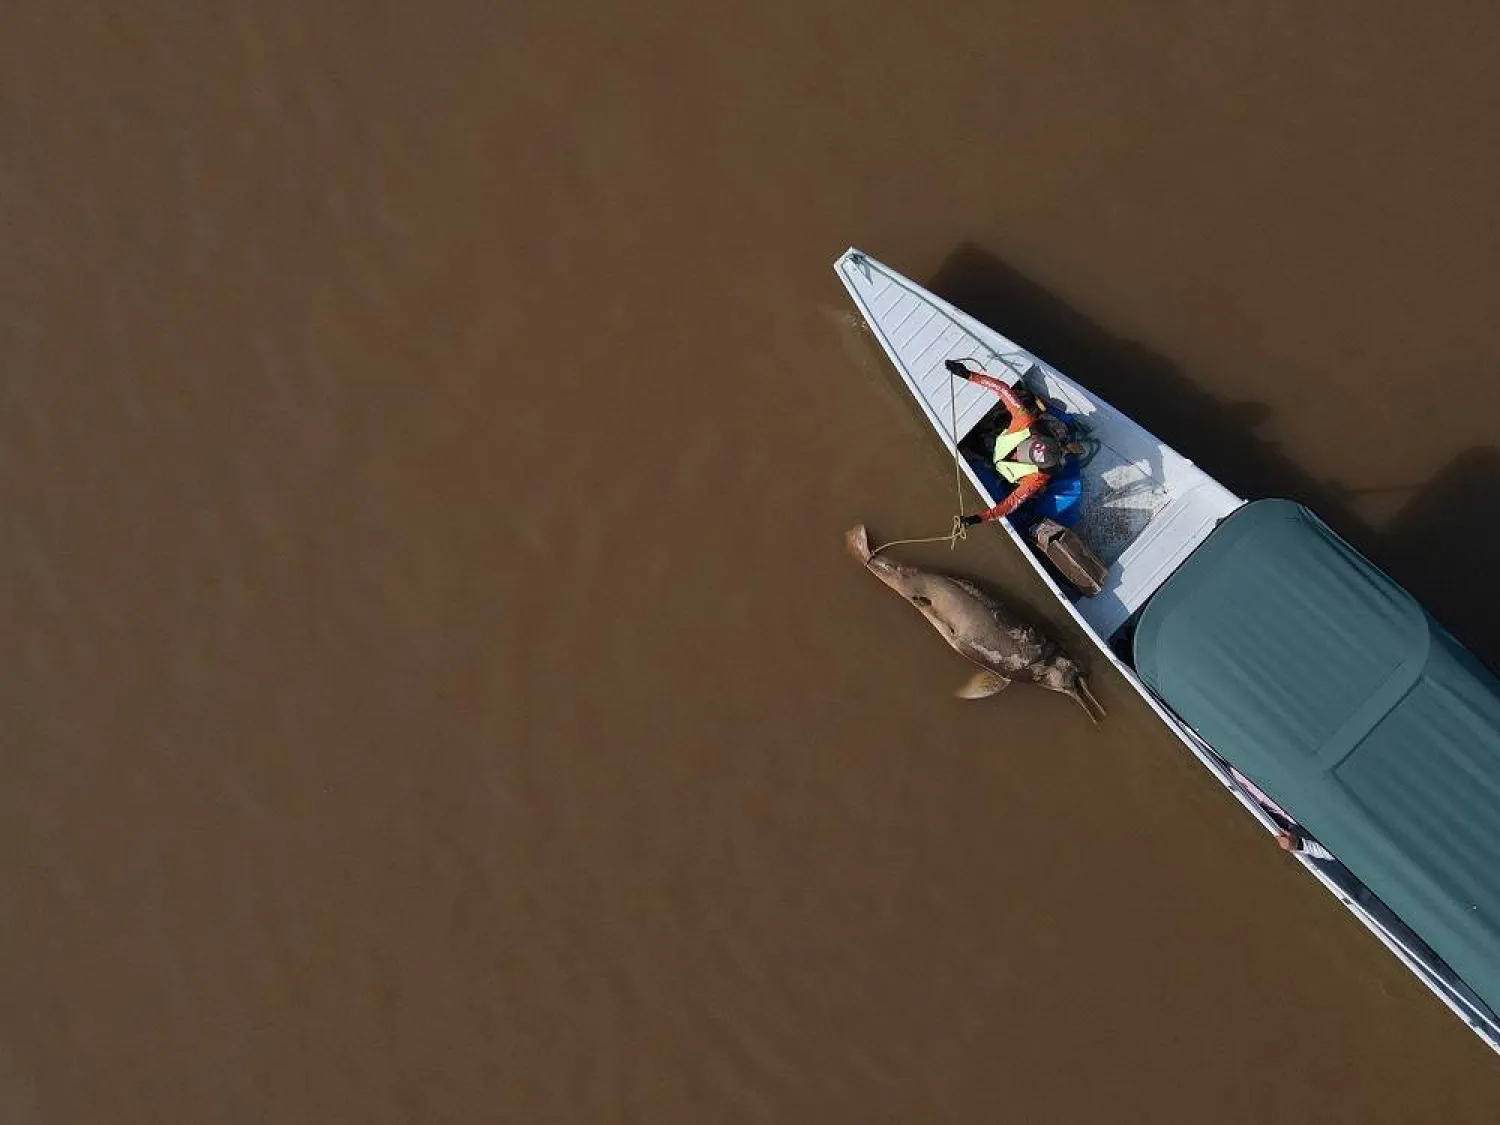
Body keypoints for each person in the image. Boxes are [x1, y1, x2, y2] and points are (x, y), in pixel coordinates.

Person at [945, 360, 1085, 526]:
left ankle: (1066, 449)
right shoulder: (1024, 421)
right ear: (1032, 438)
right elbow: (1002, 390)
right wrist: (968, 375)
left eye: (1023, 457)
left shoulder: (1037, 478)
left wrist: (979, 518)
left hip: (1003, 469)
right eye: (1023, 449)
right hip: (999, 446)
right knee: (987, 431)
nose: (1018, 454)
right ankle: (1063, 443)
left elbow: (1010, 504)